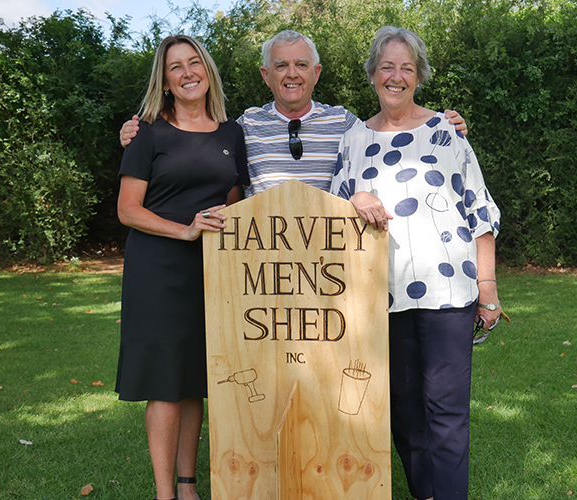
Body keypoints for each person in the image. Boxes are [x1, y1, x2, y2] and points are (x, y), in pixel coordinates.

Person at [331, 26, 503, 500]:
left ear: (419, 77)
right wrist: (356, 197)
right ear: (372, 75)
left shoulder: (446, 132)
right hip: (381, 299)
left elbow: (480, 212)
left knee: (446, 414)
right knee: (405, 415)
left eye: (407, 68)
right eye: (387, 66)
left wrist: (487, 288)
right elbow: (332, 214)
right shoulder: (354, 139)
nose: (396, 76)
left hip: (449, 295)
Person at [115, 35, 248, 500]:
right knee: (165, 383)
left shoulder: (232, 133)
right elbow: (128, 209)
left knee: (195, 379)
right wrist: (185, 230)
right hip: (159, 271)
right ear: (165, 81)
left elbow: (234, 202)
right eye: (176, 67)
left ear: (207, 70)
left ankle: (188, 485)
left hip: (211, 273)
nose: (188, 72)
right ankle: (164, 493)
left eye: (195, 63)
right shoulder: (148, 130)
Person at [120, 30, 467, 197]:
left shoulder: (346, 124)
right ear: (265, 74)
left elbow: (390, 141)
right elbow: (197, 147)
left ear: (316, 73)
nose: (291, 74)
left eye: (301, 65)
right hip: (263, 272)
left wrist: (437, 126)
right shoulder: (243, 127)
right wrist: (139, 134)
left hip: (332, 266)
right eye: (281, 65)